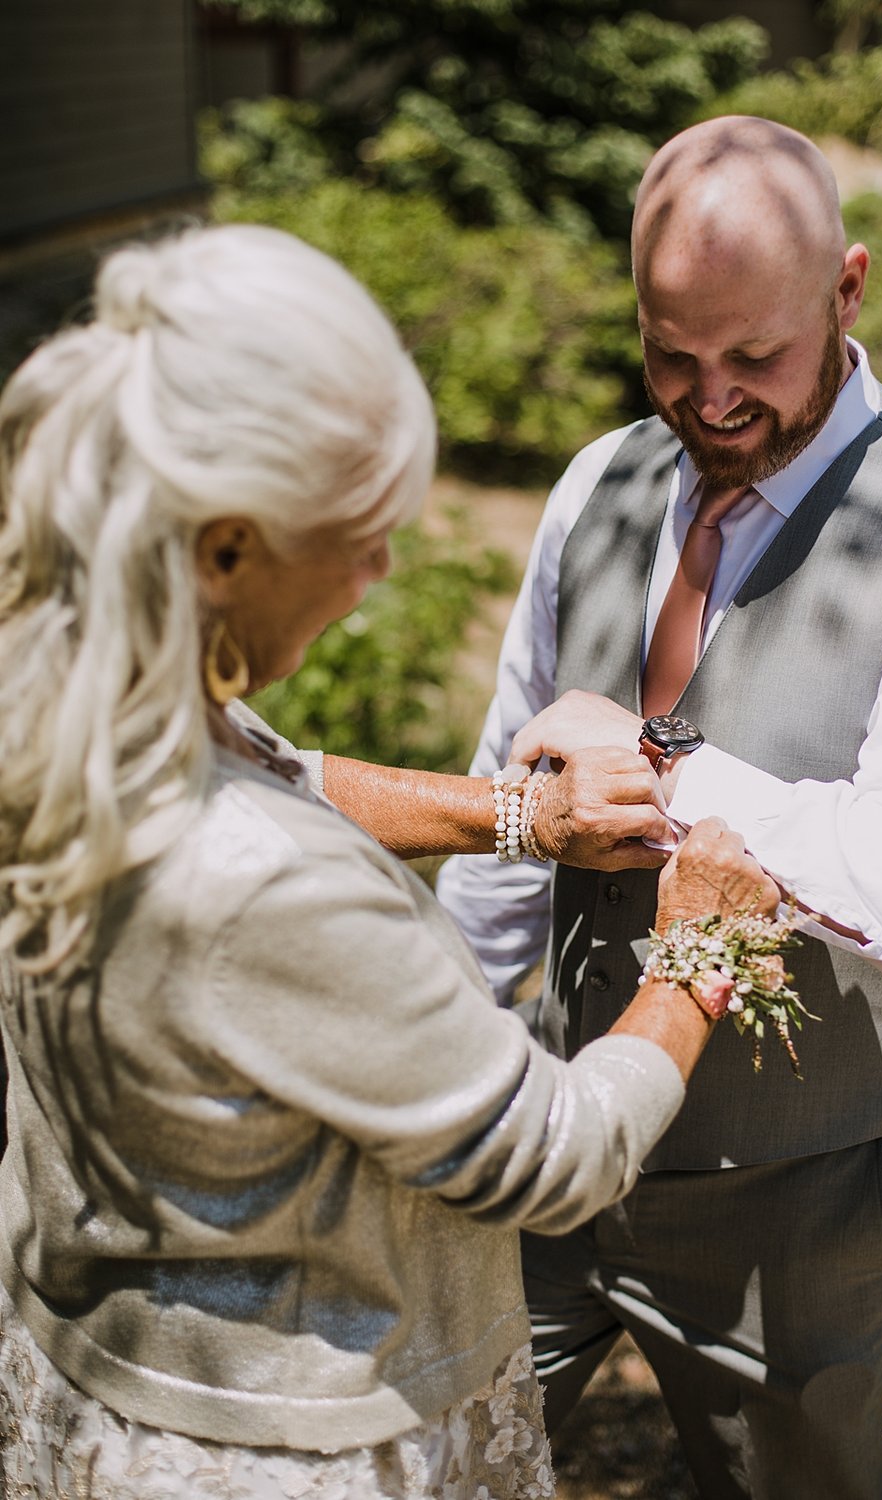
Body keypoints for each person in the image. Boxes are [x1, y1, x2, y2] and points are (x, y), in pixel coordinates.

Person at [0, 222, 782, 1497]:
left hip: (94, 1370)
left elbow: (279, 771)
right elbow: (557, 1150)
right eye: (357, 531)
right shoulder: (264, 891)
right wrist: (698, 944)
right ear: (226, 548)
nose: (379, 566)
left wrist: (519, 819)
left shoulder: (64, 689)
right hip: (290, 1438)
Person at [436, 115, 882, 1498]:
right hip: (562, 1138)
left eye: (757, 356)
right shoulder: (595, 489)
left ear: (848, 290)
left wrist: (666, 763)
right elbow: (517, 800)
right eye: (673, 354)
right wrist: (443, 1031)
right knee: (430, 1453)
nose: (714, 397)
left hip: (804, 1210)